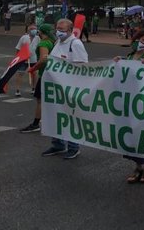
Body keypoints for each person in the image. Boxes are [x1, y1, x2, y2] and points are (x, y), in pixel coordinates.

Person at [114, 30, 144, 184]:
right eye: (138, 39)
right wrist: (116, 62)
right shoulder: (128, 57)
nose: (140, 42)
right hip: (129, 102)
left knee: (143, 134)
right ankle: (138, 166)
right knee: (131, 134)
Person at [41, 18, 89, 159]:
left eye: (62, 30)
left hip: (69, 88)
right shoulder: (58, 42)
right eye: (58, 29)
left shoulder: (75, 44)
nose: (59, 32)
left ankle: (74, 147)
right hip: (55, 87)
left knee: (70, 117)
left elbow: (82, 66)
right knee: (55, 114)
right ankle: (58, 144)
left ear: (70, 31)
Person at [20, 24, 55, 133]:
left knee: (40, 100)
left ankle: (36, 123)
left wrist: (33, 68)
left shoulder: (44, 43)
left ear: (40, 32)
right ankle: (51, 121)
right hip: (53, 74)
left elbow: (43, 59)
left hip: (45, 74)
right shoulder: (52, 42)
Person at [13, 24, 40, 96]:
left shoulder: (38, 38)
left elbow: (39, 48)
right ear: (29, 30)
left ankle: (33, 88)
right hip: (23, 59)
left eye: (35, 29)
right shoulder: (24, 38)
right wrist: (17, 58)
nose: (34, 30)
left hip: (34, 59)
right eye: (32, 29)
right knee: (20, 73)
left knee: (34, 74)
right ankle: (18, 90)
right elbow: (18, 48)